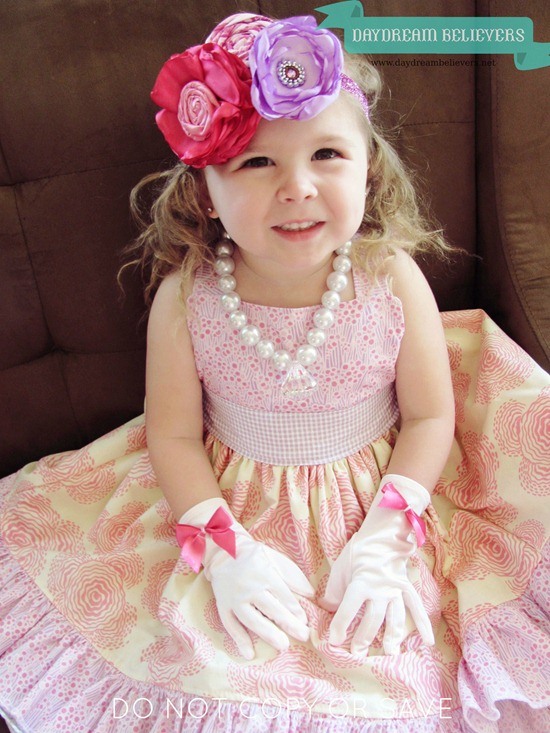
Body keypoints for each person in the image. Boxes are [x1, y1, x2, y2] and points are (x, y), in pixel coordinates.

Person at [0, 12, 548, 733]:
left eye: (327, 154)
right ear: (205, 191)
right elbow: (172, 436)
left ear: (368, 168)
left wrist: (390, 533)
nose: (297, 186)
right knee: (222, 658)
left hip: (380, 498)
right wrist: (221, 551)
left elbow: (429, 416)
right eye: (256, 163)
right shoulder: (187, 298)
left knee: (390, 647)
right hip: (228, 500)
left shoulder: (390, 277)